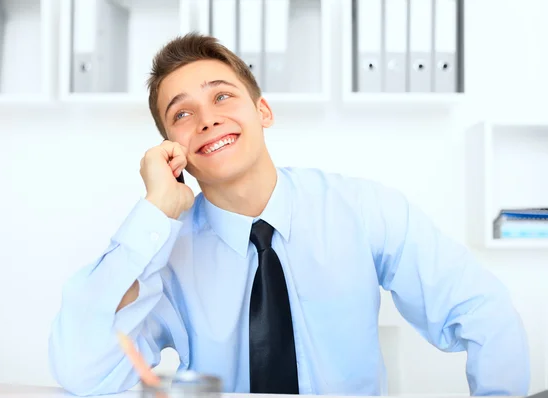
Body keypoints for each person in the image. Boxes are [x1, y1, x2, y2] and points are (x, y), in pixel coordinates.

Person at [48, 33, 530, 397]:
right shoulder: (165, 255)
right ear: (173, 149)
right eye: (182, 114)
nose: (208, 119)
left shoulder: (363, 209)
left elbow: (481, 309)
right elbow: (84, 371)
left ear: (263, 112)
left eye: (222, 96)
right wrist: (153, 211)